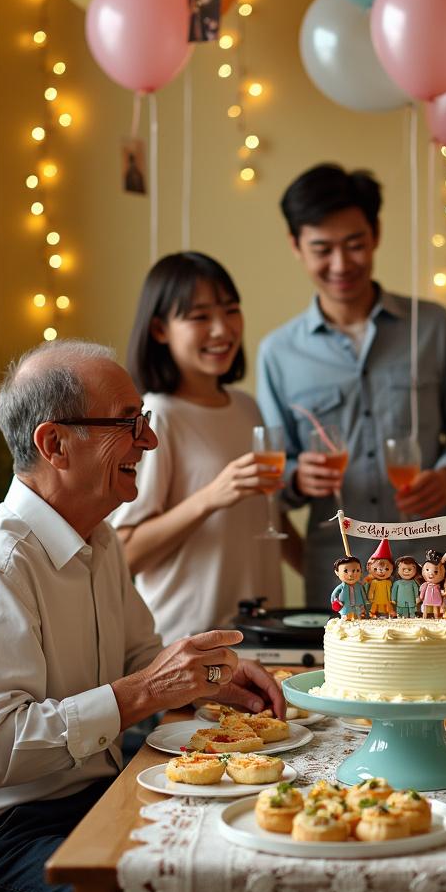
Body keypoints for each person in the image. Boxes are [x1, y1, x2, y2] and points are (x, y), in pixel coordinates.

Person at [0, 339, 283, 892]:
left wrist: (215, 676)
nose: (150, 441)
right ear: (54, 444)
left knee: (256, 865)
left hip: (88, 796)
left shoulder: (99, 538)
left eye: (145, 421)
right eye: (128, 424)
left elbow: (140, 659)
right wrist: (149, 690)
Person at [256, 163, 446, 605]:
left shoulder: (431, 326)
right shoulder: (278, 352)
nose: (341, 264)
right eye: (322, 249)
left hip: (430, 566)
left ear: (376, 234)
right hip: (341, 569)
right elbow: (275, 469)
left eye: (355, 245)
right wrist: (297, 477)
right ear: (296, 246)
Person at [109, 252, 288, 647]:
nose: (222, 330)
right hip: (186, 642)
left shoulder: (246, 406)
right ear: (160, 329)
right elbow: (120, 554)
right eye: (200, 316)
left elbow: (265, 520)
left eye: (231, 310)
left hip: (262, 638)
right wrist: (210, 497)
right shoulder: (158, 416)